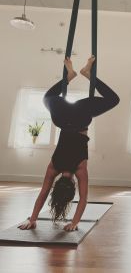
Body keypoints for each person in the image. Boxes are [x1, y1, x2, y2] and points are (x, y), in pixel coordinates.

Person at [18, 56, 120, 231]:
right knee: (48, 97)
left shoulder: (80, 169)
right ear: (57, 183)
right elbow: (43, 194)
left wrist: (74, 223)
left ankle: (87, 74)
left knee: (113, 99)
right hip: (62, 118)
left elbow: (83, 199)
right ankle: (70, 75)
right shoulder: (54, 167)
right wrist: (32, 218)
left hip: (81, 117)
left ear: (73, 185)